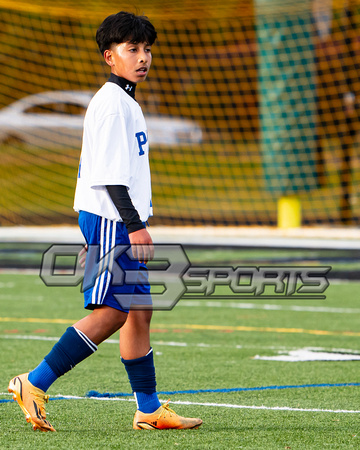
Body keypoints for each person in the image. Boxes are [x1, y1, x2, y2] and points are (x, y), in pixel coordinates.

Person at [8, 11, 202, 432]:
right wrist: (133, 226)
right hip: (116, 221)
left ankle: (148, 409)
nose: (143, 57)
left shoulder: (123, 100)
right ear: (109, 57)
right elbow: (110, 176)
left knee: (139, 311)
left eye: (146, 49)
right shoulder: (113, 103)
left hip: (107, 221)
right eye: (132, 49)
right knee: (113, 312)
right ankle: (33, 382)